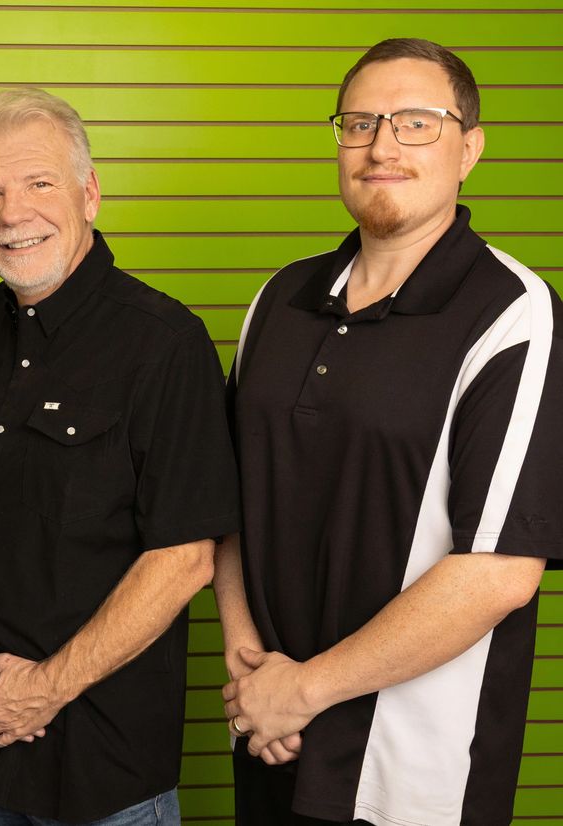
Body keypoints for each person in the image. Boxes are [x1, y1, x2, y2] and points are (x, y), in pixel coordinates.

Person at [217, 37, 563, 826]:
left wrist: (301, 690)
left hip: (415, 778)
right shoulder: (278, 299)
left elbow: (500, 570)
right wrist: (253, 676)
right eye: (360, 122)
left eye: (415, 123)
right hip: (271, 740)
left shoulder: (513, 316)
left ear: (469, 148)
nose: (380, 147)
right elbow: (231, 505)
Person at [0, 88, 242, 824]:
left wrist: (46, 687)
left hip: (106, 775)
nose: (11, 213)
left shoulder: (166, 345)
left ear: (89, 193)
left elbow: (186, 556)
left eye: (38, 183)